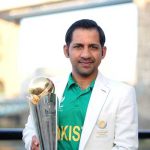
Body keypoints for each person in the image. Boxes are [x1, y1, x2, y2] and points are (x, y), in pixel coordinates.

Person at [23, 19, 138, 150]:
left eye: (93, 47)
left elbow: (127, 147)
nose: (86, 54)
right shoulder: (48, 87)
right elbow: (31, 128)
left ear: (103, 52)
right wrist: (32, 142)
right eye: (78, 46)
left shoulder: (123, 94)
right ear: (66, 51)